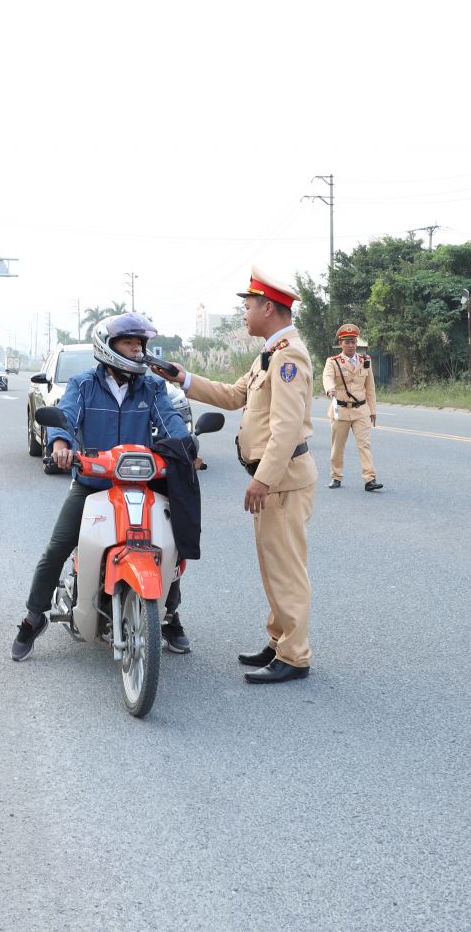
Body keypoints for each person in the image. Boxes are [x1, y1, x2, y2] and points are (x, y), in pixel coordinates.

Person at [149, 266, 315, 685]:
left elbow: (286, 429)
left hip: (282, 480)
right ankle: (279, 641)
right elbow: (234, 395)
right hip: (275, 479)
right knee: (273, 566)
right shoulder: (269, 356)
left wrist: (264, 479)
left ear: (268, 308)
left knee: (286, 569)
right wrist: (182, 377)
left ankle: (294, 655)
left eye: (248, 306)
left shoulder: (289, 357)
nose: (244, 313)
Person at [11, 312, 194, 662]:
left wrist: (187, 446)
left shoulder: (152, 387)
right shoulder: (83, 384)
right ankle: (33, 617)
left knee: (172, 544)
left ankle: (169, 614)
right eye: (129, 343)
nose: (138, 350)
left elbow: (170, 421)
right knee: (58, 547)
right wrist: (61, 444)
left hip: (140, 484)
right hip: (93, 483)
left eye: (141, 344)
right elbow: (67, 415)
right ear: (108, 347)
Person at [323, 323, 382, 492]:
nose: (350, 345)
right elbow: (327, 377)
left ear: (357, 343)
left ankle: (370, 479)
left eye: (353, 342)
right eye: (347, 342)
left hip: (361, 410)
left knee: (364, 445)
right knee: (338, 446)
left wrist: (372, 411)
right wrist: (330, 389)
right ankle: (336, 476)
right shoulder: (333, 362)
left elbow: (370, 388)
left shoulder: (365, 361)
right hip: (340, 410)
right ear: (340, 343)